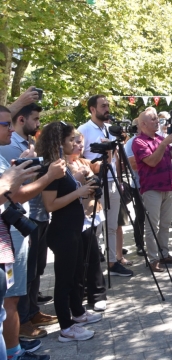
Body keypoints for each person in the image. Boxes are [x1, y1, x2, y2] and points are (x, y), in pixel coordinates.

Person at [37, 121, 103, 342]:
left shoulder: (63, 165)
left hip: (73, 229)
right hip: (62, 231)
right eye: (71, 140)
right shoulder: (51, 168)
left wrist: (85, 190)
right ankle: (66, 327)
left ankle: (78, 314)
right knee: (64, 280)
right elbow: (50, 205)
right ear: (59, 142)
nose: (76, 143)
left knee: (76, 276)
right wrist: (80, 191)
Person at [0, 104, 59, 342]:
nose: (11, 131)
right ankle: (16, 344)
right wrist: (48, 176)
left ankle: (15, 345)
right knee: (11, 298)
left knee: (19, 289)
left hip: (15, 230)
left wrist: (24, 172)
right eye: (6, 125)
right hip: (10, 234)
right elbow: (15, 195)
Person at [77, 95, 132, 277]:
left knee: (112, 224)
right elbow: (76, 157)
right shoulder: (83, 129)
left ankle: (112, 262)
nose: (107, 109)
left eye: (108, 105)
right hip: (95, 184)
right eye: (103, 106)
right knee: (96, 227)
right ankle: (91, 268)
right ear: (92, 109)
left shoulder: (110, 129)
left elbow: (116, 158)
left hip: (113, 182)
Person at [132, 107, 172, 273]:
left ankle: (164, 254)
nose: (157, 121)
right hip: (152, 189)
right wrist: (164, 143)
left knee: (166, 224)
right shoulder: (139, 141)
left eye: (156, 118)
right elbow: (152, 161)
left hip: (168, 186)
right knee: (152, 225)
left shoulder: (161, 138)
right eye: (153, 119)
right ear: (144, 124)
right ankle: (153, 259)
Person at [66, 131, 108, 312]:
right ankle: (79, 291)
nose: (79, 145)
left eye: (81, 142)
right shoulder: (61, 165)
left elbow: (96, 182)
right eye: (75, 142)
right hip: (74, 216)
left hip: (91, 214)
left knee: (93, 254)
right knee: (79, 257)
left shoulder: (83, 162)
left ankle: (97, 294)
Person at [124, 118, 146, 257]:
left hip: (155, 185)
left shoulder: (155, 139)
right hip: (139, 185)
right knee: (141, 216)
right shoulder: (131, 143)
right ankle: (139, 244)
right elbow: (134, 166)